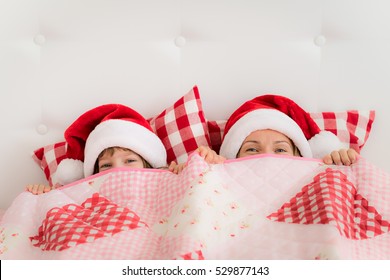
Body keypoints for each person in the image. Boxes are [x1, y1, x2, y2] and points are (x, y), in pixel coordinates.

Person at [169, 94, 358, 174]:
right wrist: (199, 169)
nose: (266, 156)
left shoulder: (313, 172)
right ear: (233, 157)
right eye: (252, 148)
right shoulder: (223, 173)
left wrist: (341, 162)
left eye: (281, 150)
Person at [27, 103, 168, 195]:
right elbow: (62, 204)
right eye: (106, 165)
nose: (117, 170)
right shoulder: (89, 190)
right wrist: (44, 194)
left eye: (130, 160)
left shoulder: (161, 182)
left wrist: (178, 173)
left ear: (149, 165)